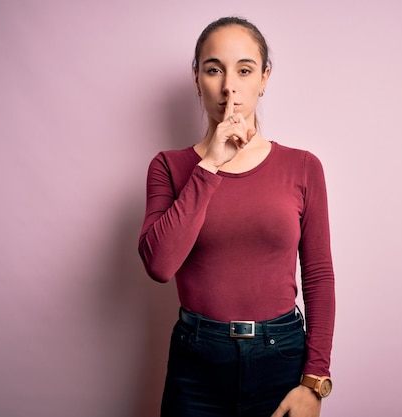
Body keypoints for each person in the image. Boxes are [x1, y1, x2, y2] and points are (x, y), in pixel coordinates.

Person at [138, 16, 335, 417]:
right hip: (197, 363)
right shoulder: (169, 167)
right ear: (197, 79)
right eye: (214, 69)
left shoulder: (302, 166)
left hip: (281, 357)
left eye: (244, 70)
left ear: (263, 79)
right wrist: (209, 165)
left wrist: (315, 381)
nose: (229, 85)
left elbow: (318, 275)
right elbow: (159, 265)